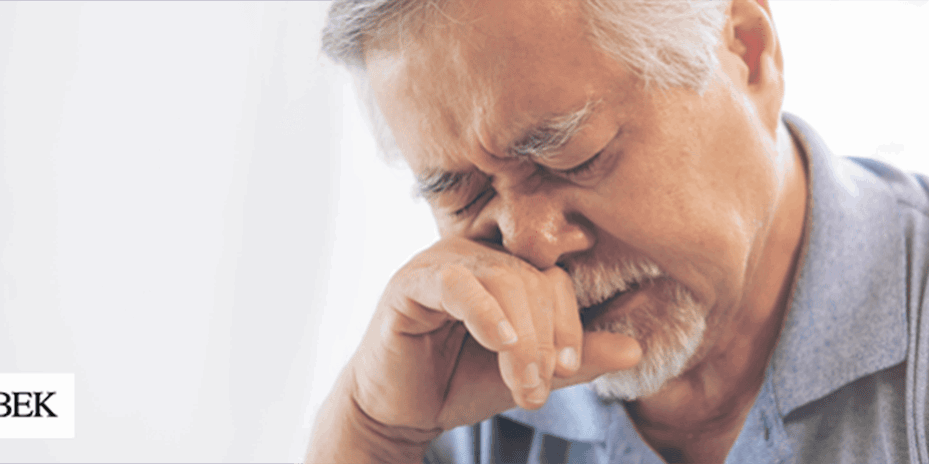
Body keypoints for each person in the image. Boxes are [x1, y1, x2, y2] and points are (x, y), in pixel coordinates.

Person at [307, 0, 929, 462]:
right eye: (461, 191)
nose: (530, 243)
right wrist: (368, 435)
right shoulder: (445, 393)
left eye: (572, 158)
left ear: (746, 50)